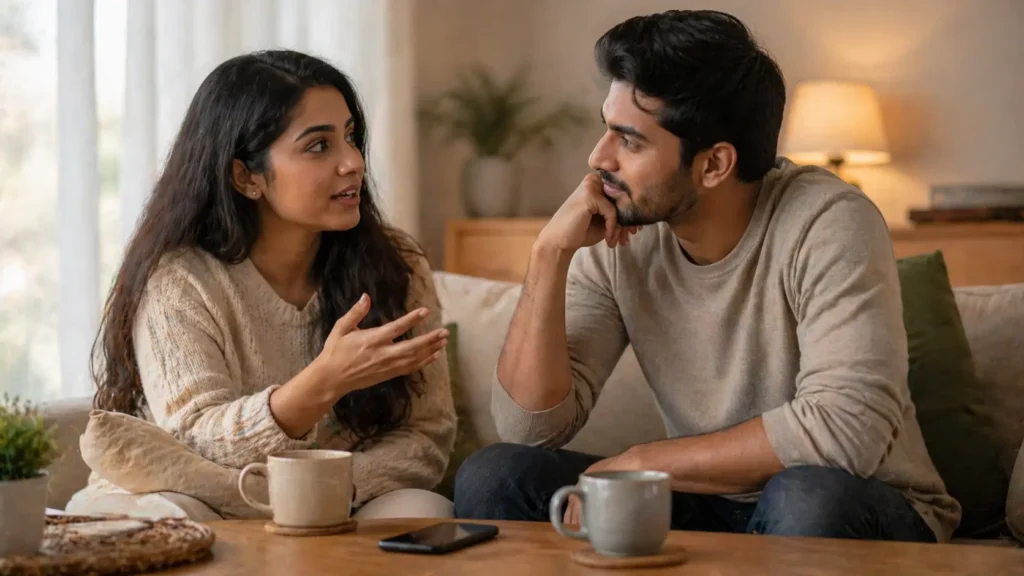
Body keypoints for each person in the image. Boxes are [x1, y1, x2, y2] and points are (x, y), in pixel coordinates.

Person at [453, 10, 960, 543]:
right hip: (708, 500)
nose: (598, 157)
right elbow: (531, 430)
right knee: (495, 475)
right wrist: (547, 254)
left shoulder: (829, 220)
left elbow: (846, 429)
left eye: (630, 141)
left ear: (714, 164)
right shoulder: (620, 231)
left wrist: (644, 461)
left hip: (862, 501)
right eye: (607, 129)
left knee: (804, 497)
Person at [68, 50, 456, 520]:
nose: (353, 162)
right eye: (319, 146)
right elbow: (195, 438)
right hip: (192, 493)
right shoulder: (179, 280)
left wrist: (323, 489)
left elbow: (426, 434)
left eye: (351, 137)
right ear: (245, 176)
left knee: (420, 509)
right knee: (186, 519)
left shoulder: (398, 265)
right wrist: (323, 382)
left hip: (340, 494)